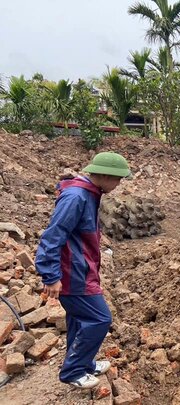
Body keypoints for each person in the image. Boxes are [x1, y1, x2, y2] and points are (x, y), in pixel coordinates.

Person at [35, 152, 131, 389]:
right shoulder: (76, 197)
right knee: (100, 319)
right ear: (106, 176)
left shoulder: (88, 194)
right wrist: (51, 275)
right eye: (118, 179)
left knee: (79, 320)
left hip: (81, 269)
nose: (119, 184)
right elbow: (53, 236)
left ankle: (84, 363)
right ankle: (73, 370)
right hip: (72, 273)